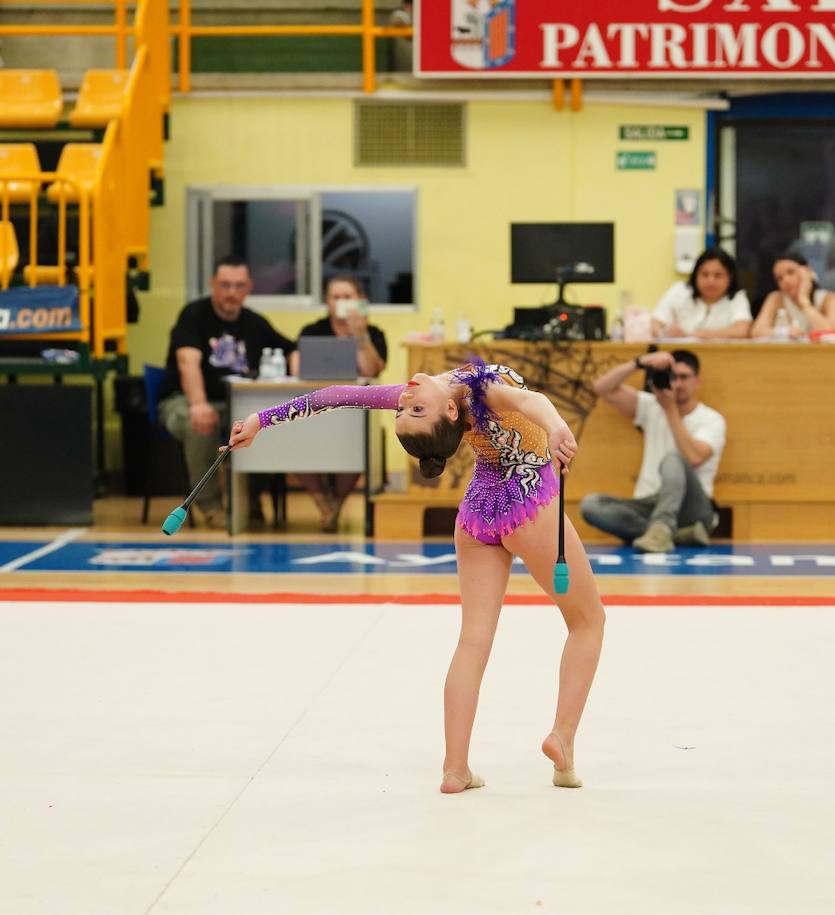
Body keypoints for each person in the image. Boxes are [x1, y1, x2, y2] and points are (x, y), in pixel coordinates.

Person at [226, 359, 604, 795]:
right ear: (448, 413)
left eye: (405, 412)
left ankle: (455, 768)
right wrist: (556, 426)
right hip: (526, 500)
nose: (404, 402)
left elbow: (334, 396)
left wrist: (260, 419)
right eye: (411, 411)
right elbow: (529, 399)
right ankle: (563, 738)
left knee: (473, 639)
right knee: (588, 621)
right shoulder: (477, 394)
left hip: (478, 513)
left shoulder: (433, 391)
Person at [157, 258, 296, 526]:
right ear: (212, 285)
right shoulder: (193, 316)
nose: (232, 292)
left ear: (248, 288)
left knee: (266, 423)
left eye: (239, 285)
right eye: (225, 285)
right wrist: (198, 404)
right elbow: (188, 362)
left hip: (237, 404)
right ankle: (210, 507)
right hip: (185, 400)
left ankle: (248, 501)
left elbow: (290, 349)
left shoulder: (255, 323)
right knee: (199, 422)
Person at [580, 350, 725, 553]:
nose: (678, 384)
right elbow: (601, 387)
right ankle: (672, 534)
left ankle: (663, 528)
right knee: (591, 505)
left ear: (697, 381)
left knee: (673, 458)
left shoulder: (711, 419)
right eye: (672, 377)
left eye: (684, 377)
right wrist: (640, 362)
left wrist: (669, 409)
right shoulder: (652, 405)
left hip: (692, 507)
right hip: (649, 504)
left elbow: (693, 458)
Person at [287, 274, 390, 531]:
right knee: (290, 440)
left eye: (348, 297)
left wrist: (359, 335)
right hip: (315, 408)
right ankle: (323, 504)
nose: (341, 302)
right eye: (336, 297)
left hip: (352, 412)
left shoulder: (373, 333)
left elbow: (373, 370)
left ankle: (336, 503)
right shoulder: (312, 331)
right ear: (327, 302)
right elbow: (296, 367)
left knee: (358, 442)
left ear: (361, 301)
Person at [651, 248, 752, 340]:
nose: (710, 281)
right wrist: (664, 332)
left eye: (718, 275)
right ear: (695, 275)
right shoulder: (680, 290)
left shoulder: (737, 298)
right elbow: (655, 324)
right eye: (705, 274)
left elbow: (742, 331)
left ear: (730, 277)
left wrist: (695, 335)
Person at [751, 251, 835, 339]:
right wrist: (784, 332)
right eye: (780, 278)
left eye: (790, 272)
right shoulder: (776, 299)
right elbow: (756, 332)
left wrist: (804, 301)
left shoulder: (831, 299)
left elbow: (834, 333)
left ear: (807, 270)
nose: (786, 281)